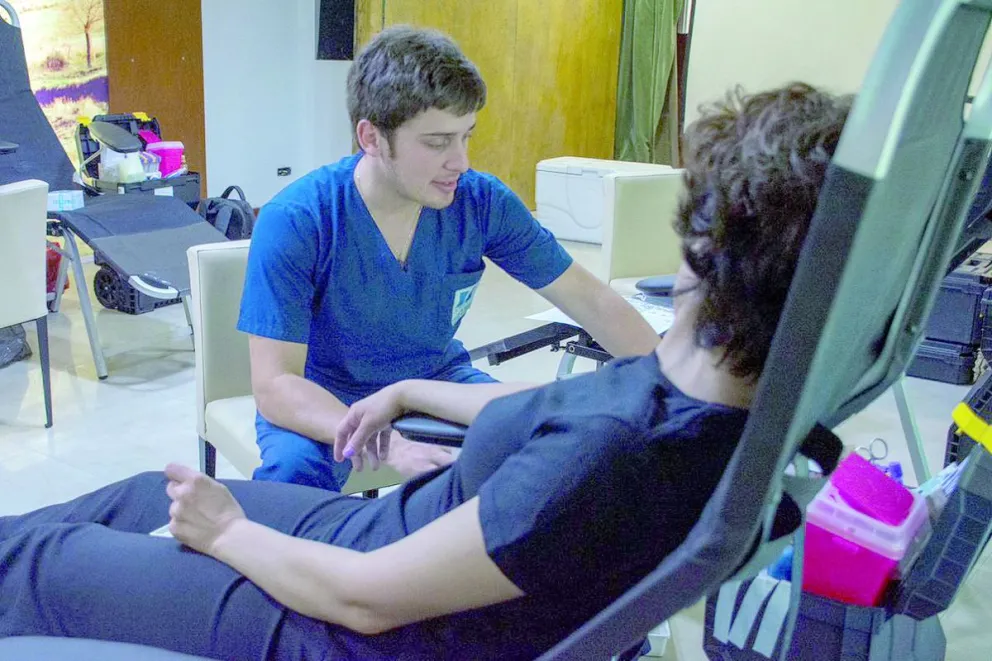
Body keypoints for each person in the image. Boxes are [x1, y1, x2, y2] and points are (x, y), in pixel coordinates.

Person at [0, 83, 851, 661]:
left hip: (344, 625)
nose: (458, 161)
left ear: (709, 243)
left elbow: (367, 602)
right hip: (389, 533)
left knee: (40, 560)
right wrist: (408, 393)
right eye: (439, 142)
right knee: (138, 495)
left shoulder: (612, 456)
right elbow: (560, 399)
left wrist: (227, 532)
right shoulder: (704, 396)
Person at [238, 25, 661, 492]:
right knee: (291, 478)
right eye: (437, 142)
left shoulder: (479, 202)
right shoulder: (299, 220)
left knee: (549, 450)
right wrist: (390, 443)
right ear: (372, 137)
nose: (459, 161)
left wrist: (679, 389)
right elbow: (276, 385)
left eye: (466, 137)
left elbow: (591, 301)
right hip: (325, 393)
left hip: (437, 378)